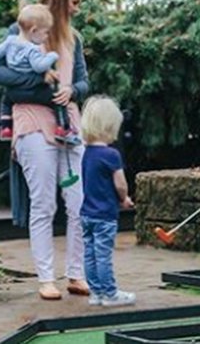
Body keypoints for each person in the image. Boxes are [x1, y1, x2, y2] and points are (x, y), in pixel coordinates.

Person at [0, 0, 89, 300]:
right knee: (43, 202)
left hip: (69, 124)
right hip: (33, 123)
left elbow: (85, 81)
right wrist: (42, 86)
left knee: (78, 202)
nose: (77, 9)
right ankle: (46, 277)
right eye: (74, 2)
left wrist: (72, 89)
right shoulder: (21, 32)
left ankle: (77, 272)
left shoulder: (74, 38)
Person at [0, 4, 80, 145]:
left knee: (6, 100)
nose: (47, 37)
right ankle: (63, 128)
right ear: (34, 30)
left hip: (15, 92)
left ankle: (5, 127)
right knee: (57, 99)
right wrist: (52, 56)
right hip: (33, 91)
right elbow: (39, 66)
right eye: (46, 33)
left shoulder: (10, 41)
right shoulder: (32, 49)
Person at [79, 95, 136, 307]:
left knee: (90, 254)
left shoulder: (86, 153)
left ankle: (96, 293)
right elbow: (120, 184)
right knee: (103, 255)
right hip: (104, 215)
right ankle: (110, 294)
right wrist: (125, 198)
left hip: (86, 213)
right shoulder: (111, 154)